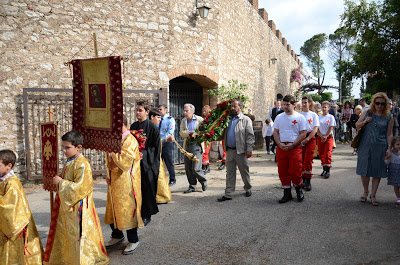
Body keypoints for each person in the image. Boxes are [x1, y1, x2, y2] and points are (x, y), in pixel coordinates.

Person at [44, 130, 110, 265]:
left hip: (79, 207)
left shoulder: (82, 163)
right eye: (62, 147)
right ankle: (69, 257)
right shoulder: (70, 160)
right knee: (68, 234)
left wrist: (61, 183)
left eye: (67, 147)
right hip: (68, 205)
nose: (63, 150)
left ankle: (82, 259)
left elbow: (81, 187)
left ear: (78, 147)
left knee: (79, 234)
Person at [104, 116, 142, 255]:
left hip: (126, 181)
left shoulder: (130, 140)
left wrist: (112, 151)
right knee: (113, 208)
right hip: (114, 180)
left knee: (127, 209)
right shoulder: (115, 139)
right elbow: (109, 159)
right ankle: (117, 235)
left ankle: (133, 239)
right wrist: (108, 174)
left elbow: (125, 163)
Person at [0, 150, 44, 264]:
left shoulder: (12, 183)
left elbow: (9, 207)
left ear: (9, 166)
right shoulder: (4, 180)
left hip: (16, 226)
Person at [356, 92, 394, 206]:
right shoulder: (367, 112)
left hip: (380, 146)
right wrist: (365, 121)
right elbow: (357, 125)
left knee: (377, 171)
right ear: (374, 103)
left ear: (386, 104)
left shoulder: (389, 116)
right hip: (365, 145)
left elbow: (389, 134)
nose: (380, 106)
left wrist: (389, 148)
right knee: (364, 170)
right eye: (377, 103)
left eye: (382, 103)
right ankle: (365, 191)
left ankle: (373, 195)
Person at [217, 99, 255, 202]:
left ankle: (248, 188)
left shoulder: (245, 120)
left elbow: (250, 136)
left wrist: (249, 148)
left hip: (241, 151)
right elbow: (222, 134)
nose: (232, 108)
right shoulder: (227, 120)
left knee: (244, 171)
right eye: (231, 106)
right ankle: (228, 193)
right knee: (230, 173)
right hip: (229, 151)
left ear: (240, 108)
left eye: (234, 106)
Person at [130, 101, 161, 226]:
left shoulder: (152, 127)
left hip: (149, 164)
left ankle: (147, 214)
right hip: (135, 164)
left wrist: (143, 153)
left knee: (147, 189)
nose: (138, 113)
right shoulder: (133, 126)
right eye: (136, 110)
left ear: (147, 112)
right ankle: (136, 212)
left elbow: (156, 148)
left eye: (140, 110)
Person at [273, 95, 307, 203]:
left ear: (293, 105)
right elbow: (275, 132)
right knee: (283, 171)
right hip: (282, 147)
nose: (285, 107)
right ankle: (287, 194)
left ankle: (299, 191)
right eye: (283, 104)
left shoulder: (300, 117)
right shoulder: (279, 117)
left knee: (295, 170)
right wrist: (279, 143)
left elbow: (303, 133)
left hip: (295, 147)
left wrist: (293, 144)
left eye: (287, 104)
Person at [179, 103, 207, 193]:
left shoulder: (200, 119)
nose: (185, 113)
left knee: (196, 168)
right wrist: (189, 133)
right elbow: (181, 133)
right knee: (188, 168)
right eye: (184, 111)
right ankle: (192, 186)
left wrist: (197, 134)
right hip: (187, 145)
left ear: (192, 111)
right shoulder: (183, 121)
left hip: (197, 145)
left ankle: (203, 181)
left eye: (187, 111)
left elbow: (204, 131)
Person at [149, 108, 172, 204]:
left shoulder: (154, 126)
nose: (159, 120)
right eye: (158, 117)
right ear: (152, 117)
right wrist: (166, 140)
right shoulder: (151, 127)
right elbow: (153, 143)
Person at [300, 95, 320, 191]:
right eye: (302, 102)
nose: (303, 104)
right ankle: (302, 179)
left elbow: (315, 128)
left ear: (309, 103)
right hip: (301, 138)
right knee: (301, 159)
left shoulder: (313, 115)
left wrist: (307, 139)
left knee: (308, 159)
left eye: (305, 102)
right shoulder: (299, 115)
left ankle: (308, 180)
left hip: (310, 139)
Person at [158, 104, 177, 186]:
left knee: (168, 161)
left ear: (165, 110)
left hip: (166, 143)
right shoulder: (157, 119)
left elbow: (170, 132)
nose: (159, 111)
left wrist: (164, 140)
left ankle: (172, 179)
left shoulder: (170, 119)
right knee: (158, 162)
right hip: (158, 143)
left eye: (160, 109)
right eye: (158, 109)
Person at [317, 101, 337, 179]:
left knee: (327, 153)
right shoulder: (318, 117)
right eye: (323, 107)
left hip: (328, 138)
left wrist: (326, 136)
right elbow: (317, 128)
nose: (324, 109)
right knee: (321, 154)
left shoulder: (331, 117)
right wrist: (321, 135)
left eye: (325, 107)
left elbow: (331, 127)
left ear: (328, 108)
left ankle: (328, 170)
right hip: (320, 138)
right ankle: (324, 169)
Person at [386, 136, 400, 205]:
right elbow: (387, 162)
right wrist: (386, 158)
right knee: (396, 186)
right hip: (394, 173)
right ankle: (398, 197)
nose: (399, 146)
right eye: (397, 144)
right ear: (393, 145)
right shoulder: (390, 153)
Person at [202, 105, 212, 174]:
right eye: (203, 111)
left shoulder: (210, 119)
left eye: (205, 111)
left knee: (205, 151)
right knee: (203, 151)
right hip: (203, 137)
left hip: (208, 137)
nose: (203, 112)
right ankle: (206, 167)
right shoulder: (202, 119)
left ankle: (206, 167)